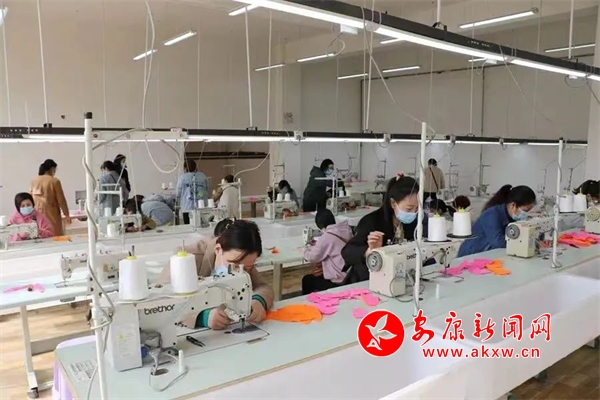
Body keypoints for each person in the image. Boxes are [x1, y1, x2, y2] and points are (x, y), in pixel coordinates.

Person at [160, 219, 273, 330]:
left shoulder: (241, 260)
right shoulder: (185, 259)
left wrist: (259, 301)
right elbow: (163, 302)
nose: (240, 272)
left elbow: (263, 287)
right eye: (234, 266)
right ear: (218, 249)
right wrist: (201, 317)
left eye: (247, 268)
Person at [342, 175, 428, 282]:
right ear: (393, 203)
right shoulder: (372, 221)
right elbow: (347, 252)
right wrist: (369, 251)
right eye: (409, 209)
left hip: (399, 278)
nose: (413, 213)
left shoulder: (413, 224)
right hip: (368, 280)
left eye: (417, 209)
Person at [458, 185, 536, 257]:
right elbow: (498, 243)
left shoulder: (511, 217)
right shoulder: (491, 215)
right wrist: (525, 243)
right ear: (513, 205)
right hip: (470, 255)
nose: (526, 214)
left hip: (487, 254)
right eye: (525, 211)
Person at [301, 209, 353, 294]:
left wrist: (304, 250)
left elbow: (312, 257)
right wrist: (319, 244)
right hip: (350, 275)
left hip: (338, 280)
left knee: (307, 280)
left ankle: (309, 300)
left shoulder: (326, 237)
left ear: (319, 225)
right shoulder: (346, 230)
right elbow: (333, 245)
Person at [30, 159, 71, 236]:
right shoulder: (54, 181)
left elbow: (30, 199)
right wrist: (67, 214)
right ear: (52, 169)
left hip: (37, 213)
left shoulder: (33, 181)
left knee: (41, 234)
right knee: (55, 234)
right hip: (52, 213)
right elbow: (61, 200)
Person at [176, 159, 209, 225]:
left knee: (188, 227)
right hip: (201, 207)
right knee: (202, 227)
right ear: (195, 167)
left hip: (187, 208)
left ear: (185, 168)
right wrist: (199, 195)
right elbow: (206, 189)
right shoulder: (203, 176)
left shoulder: (182, 178)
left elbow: (178, 193)